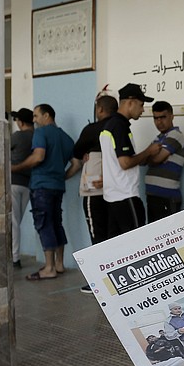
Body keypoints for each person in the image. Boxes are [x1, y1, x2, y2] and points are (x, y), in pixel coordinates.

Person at [13, 104, 80, 281]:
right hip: (57, 187)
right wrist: (62, 177)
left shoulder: (41, 133)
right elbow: (77, 164)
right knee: (56, 223)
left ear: (47, 115)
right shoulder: (66, 139)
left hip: (42, 185)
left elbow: (38, 156)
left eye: (36, 116)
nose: (34, 120)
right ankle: (59, 264)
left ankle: (49, 268)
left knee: (44, 224)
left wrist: (15, 168)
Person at [100, 83, 159, 239]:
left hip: (112, 196)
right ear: (130, 102)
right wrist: (149, 151)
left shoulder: (109, 125)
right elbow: (125, 163)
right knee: (135, 244)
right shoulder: (119, 126)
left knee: (116, 245)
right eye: (141, 105)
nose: (142, 110)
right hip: (125, 196)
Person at [73, 94, 117, 292]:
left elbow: (76, 150)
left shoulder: (93, 129)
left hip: (94, 188)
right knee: (110, 232)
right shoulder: (119, 127)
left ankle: (98, 280)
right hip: (115, 188)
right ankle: (111, 278)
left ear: (99, 110)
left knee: (96, 234)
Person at [145, 101, 184, 222]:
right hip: (153, 197)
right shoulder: (158, 138)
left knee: (168, 236)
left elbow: (157, 158)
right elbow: (143, 161)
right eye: (156, 118)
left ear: (172, 116)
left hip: (167, 197)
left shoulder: (176, 135)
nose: (159, 122)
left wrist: (151, 156)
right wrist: (150, 155)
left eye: (163, 117)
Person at [9, 108, 34, 269]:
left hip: (13, 182)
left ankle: (15, 258)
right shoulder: (37, 136)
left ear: (21, 122)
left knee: (13, 222)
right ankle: (14, 255)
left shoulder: (18, 136)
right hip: (29, 184)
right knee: (17, 221)